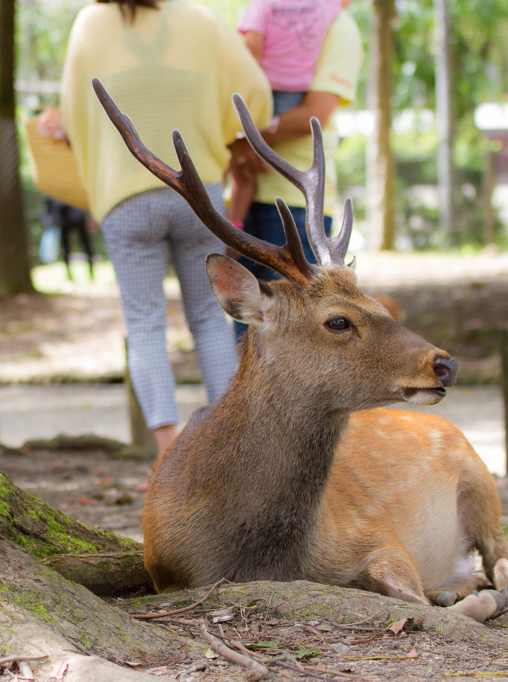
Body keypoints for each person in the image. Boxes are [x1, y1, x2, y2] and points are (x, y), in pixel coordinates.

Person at [60, 0, 272, 455]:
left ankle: (166, 454)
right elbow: (257, 92)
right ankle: (229, 447)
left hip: (126, 198)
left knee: (145, 325)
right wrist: (227, 138)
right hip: (198, 193)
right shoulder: (202, 21)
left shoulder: (89, 24)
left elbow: (72, 113)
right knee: (210, 321)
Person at [230, 1, 362, 337]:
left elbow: (314, 114)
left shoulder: (339, 27)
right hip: (248, 200)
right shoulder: (266, 12)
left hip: (298, 207)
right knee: (249, 339)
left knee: (296, 339)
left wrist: (247, 136)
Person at [226, 0, 344, 230]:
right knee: (249, 156)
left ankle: (233, 223)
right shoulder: (324, 6)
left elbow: (253, 47)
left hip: (266, 89)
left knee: (241, 164)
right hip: (297, 91)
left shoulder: (264, 4)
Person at [42, 197, 95, 281]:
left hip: (77, 217)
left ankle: (91, 271)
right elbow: (49, 207)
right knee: (66, 248)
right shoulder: (53, 192)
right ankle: (69, 273)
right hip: (64, 220)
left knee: (85, 245)